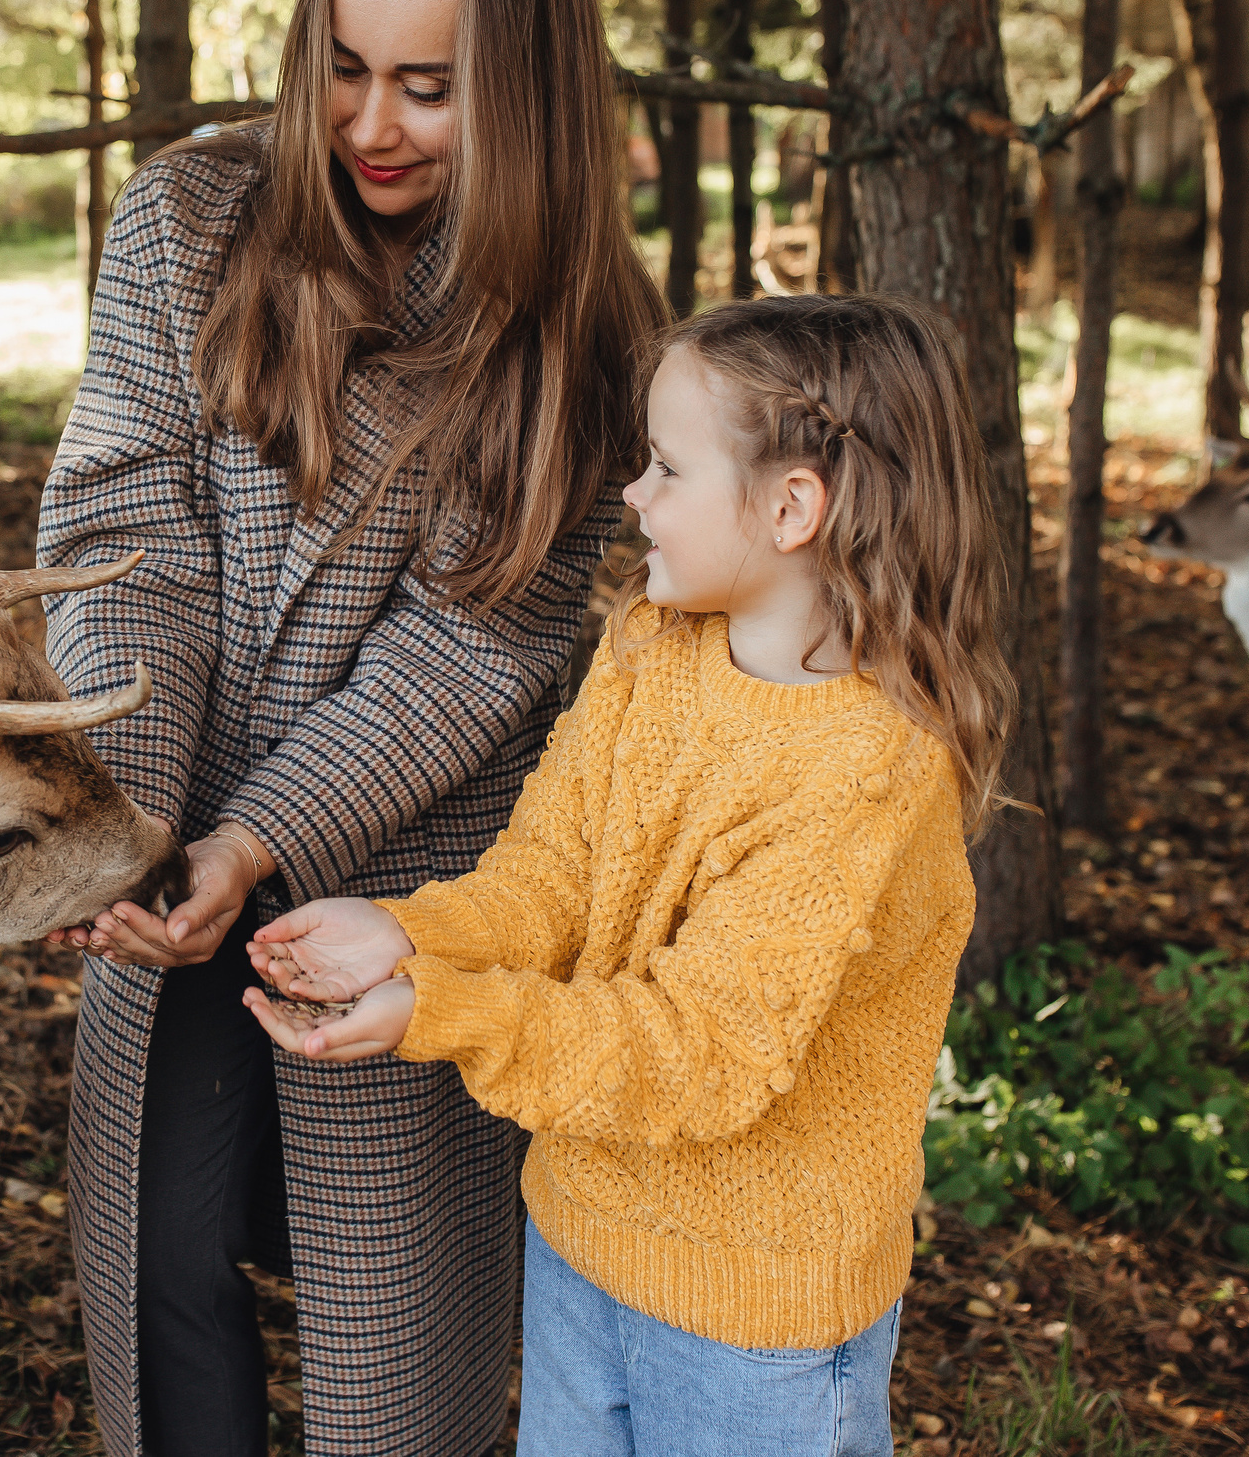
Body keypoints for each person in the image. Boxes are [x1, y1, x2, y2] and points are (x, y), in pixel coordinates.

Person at [35, 0, 663, 1457]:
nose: (373, 126)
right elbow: (125, 521)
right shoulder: (189, 217)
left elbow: (470, 656)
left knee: (385, 1324)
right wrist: (132, 816)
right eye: (344, 67)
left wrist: (259, 841)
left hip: (410, 872)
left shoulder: (588, 341)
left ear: (523, 86)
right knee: (166, 1247)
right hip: (165, 814)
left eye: (432, 87)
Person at [244, 294, 1017, 1456]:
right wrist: (410, 935)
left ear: (793, 506)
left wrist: (444, 1013)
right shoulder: (654, 645)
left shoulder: (864, 773)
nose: (631, 494)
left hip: (757, 1328)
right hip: (581, 1242)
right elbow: (554, 874)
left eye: (664, 468)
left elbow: (700, 1051)